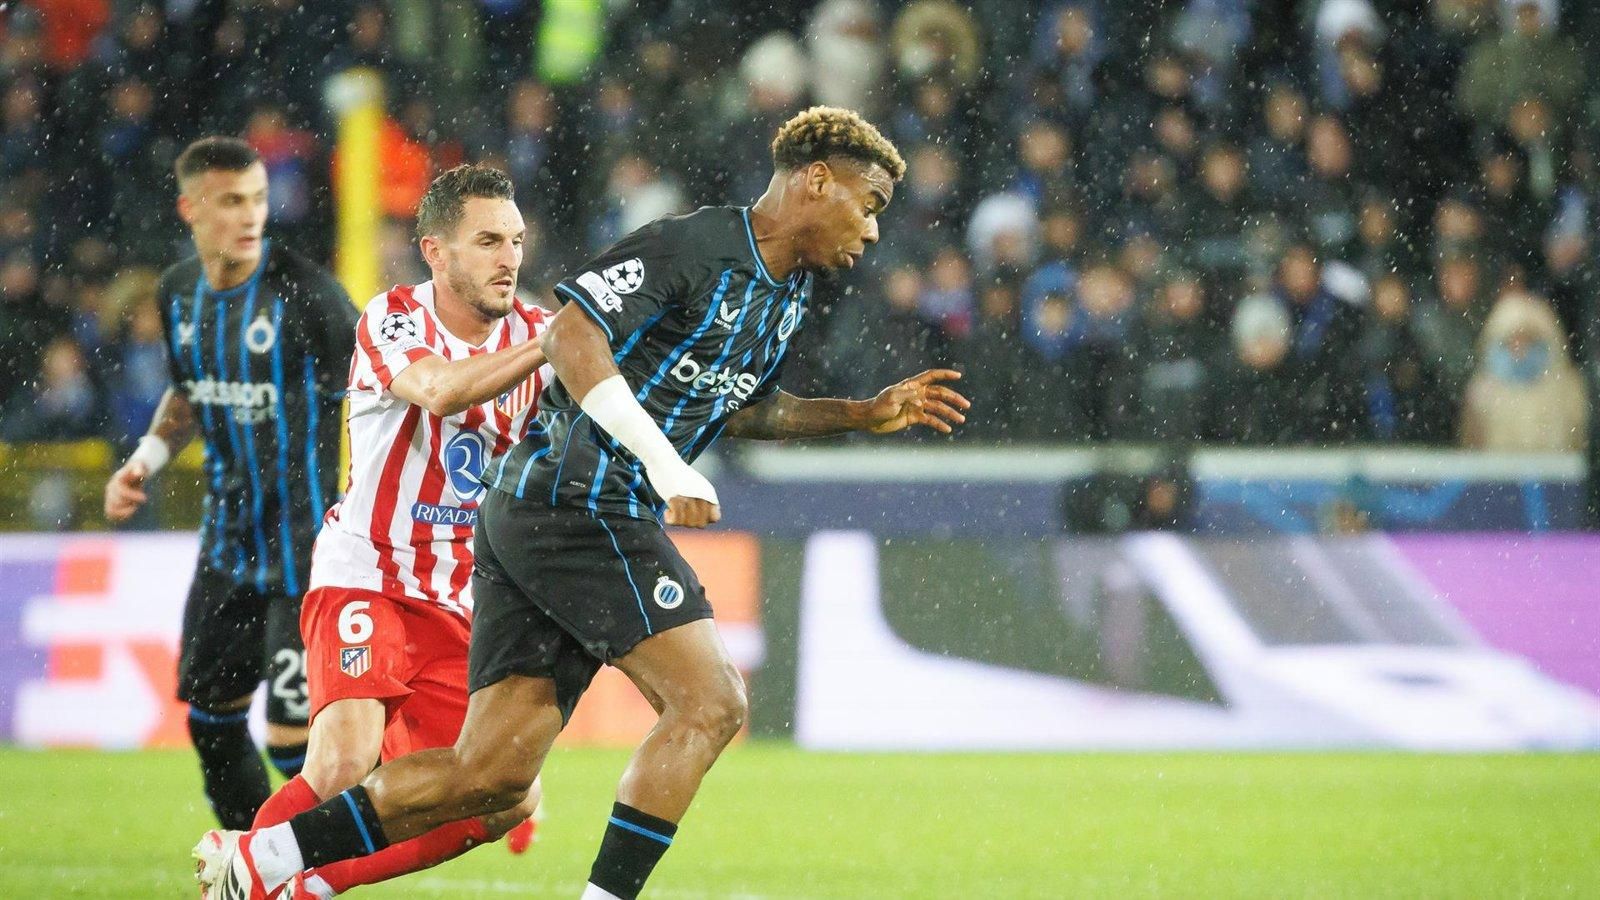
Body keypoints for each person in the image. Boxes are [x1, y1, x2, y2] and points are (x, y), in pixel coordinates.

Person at [194, 106, 970, 900]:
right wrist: (666, 465)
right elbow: (557, 341)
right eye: (867, 205)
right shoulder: (694, 246)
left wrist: (859, 413)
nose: (872, 233)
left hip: (486, 551)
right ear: (815, 180)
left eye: (516, 242)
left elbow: (742, 404)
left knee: (489, 785)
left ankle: (268, 864)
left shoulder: (786, 296)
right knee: (708, 701)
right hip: (562, 509)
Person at [245, 165, 551, 899]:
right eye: (487, 241)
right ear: (436, 251)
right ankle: (247, 883)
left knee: (504, 796)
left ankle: (308, 884)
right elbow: (441, 390)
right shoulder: (393, 317)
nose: (508, 257)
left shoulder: (540, 331)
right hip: (368, 572)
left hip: (459, 598)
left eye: (515, 240)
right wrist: (555, 345)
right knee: (342, 766)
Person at [102, 137, 358, 831]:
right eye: (231, 202)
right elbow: (188, 395)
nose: (250, 216)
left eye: (257, 198)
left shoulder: (309, 296)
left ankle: (335, 850)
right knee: (211, 720)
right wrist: (146, 460)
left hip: (307, 555)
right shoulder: (178, 293)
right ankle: (253, 862)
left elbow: (379, 393)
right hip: (227, 549)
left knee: (292, 740)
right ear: (190, 208)